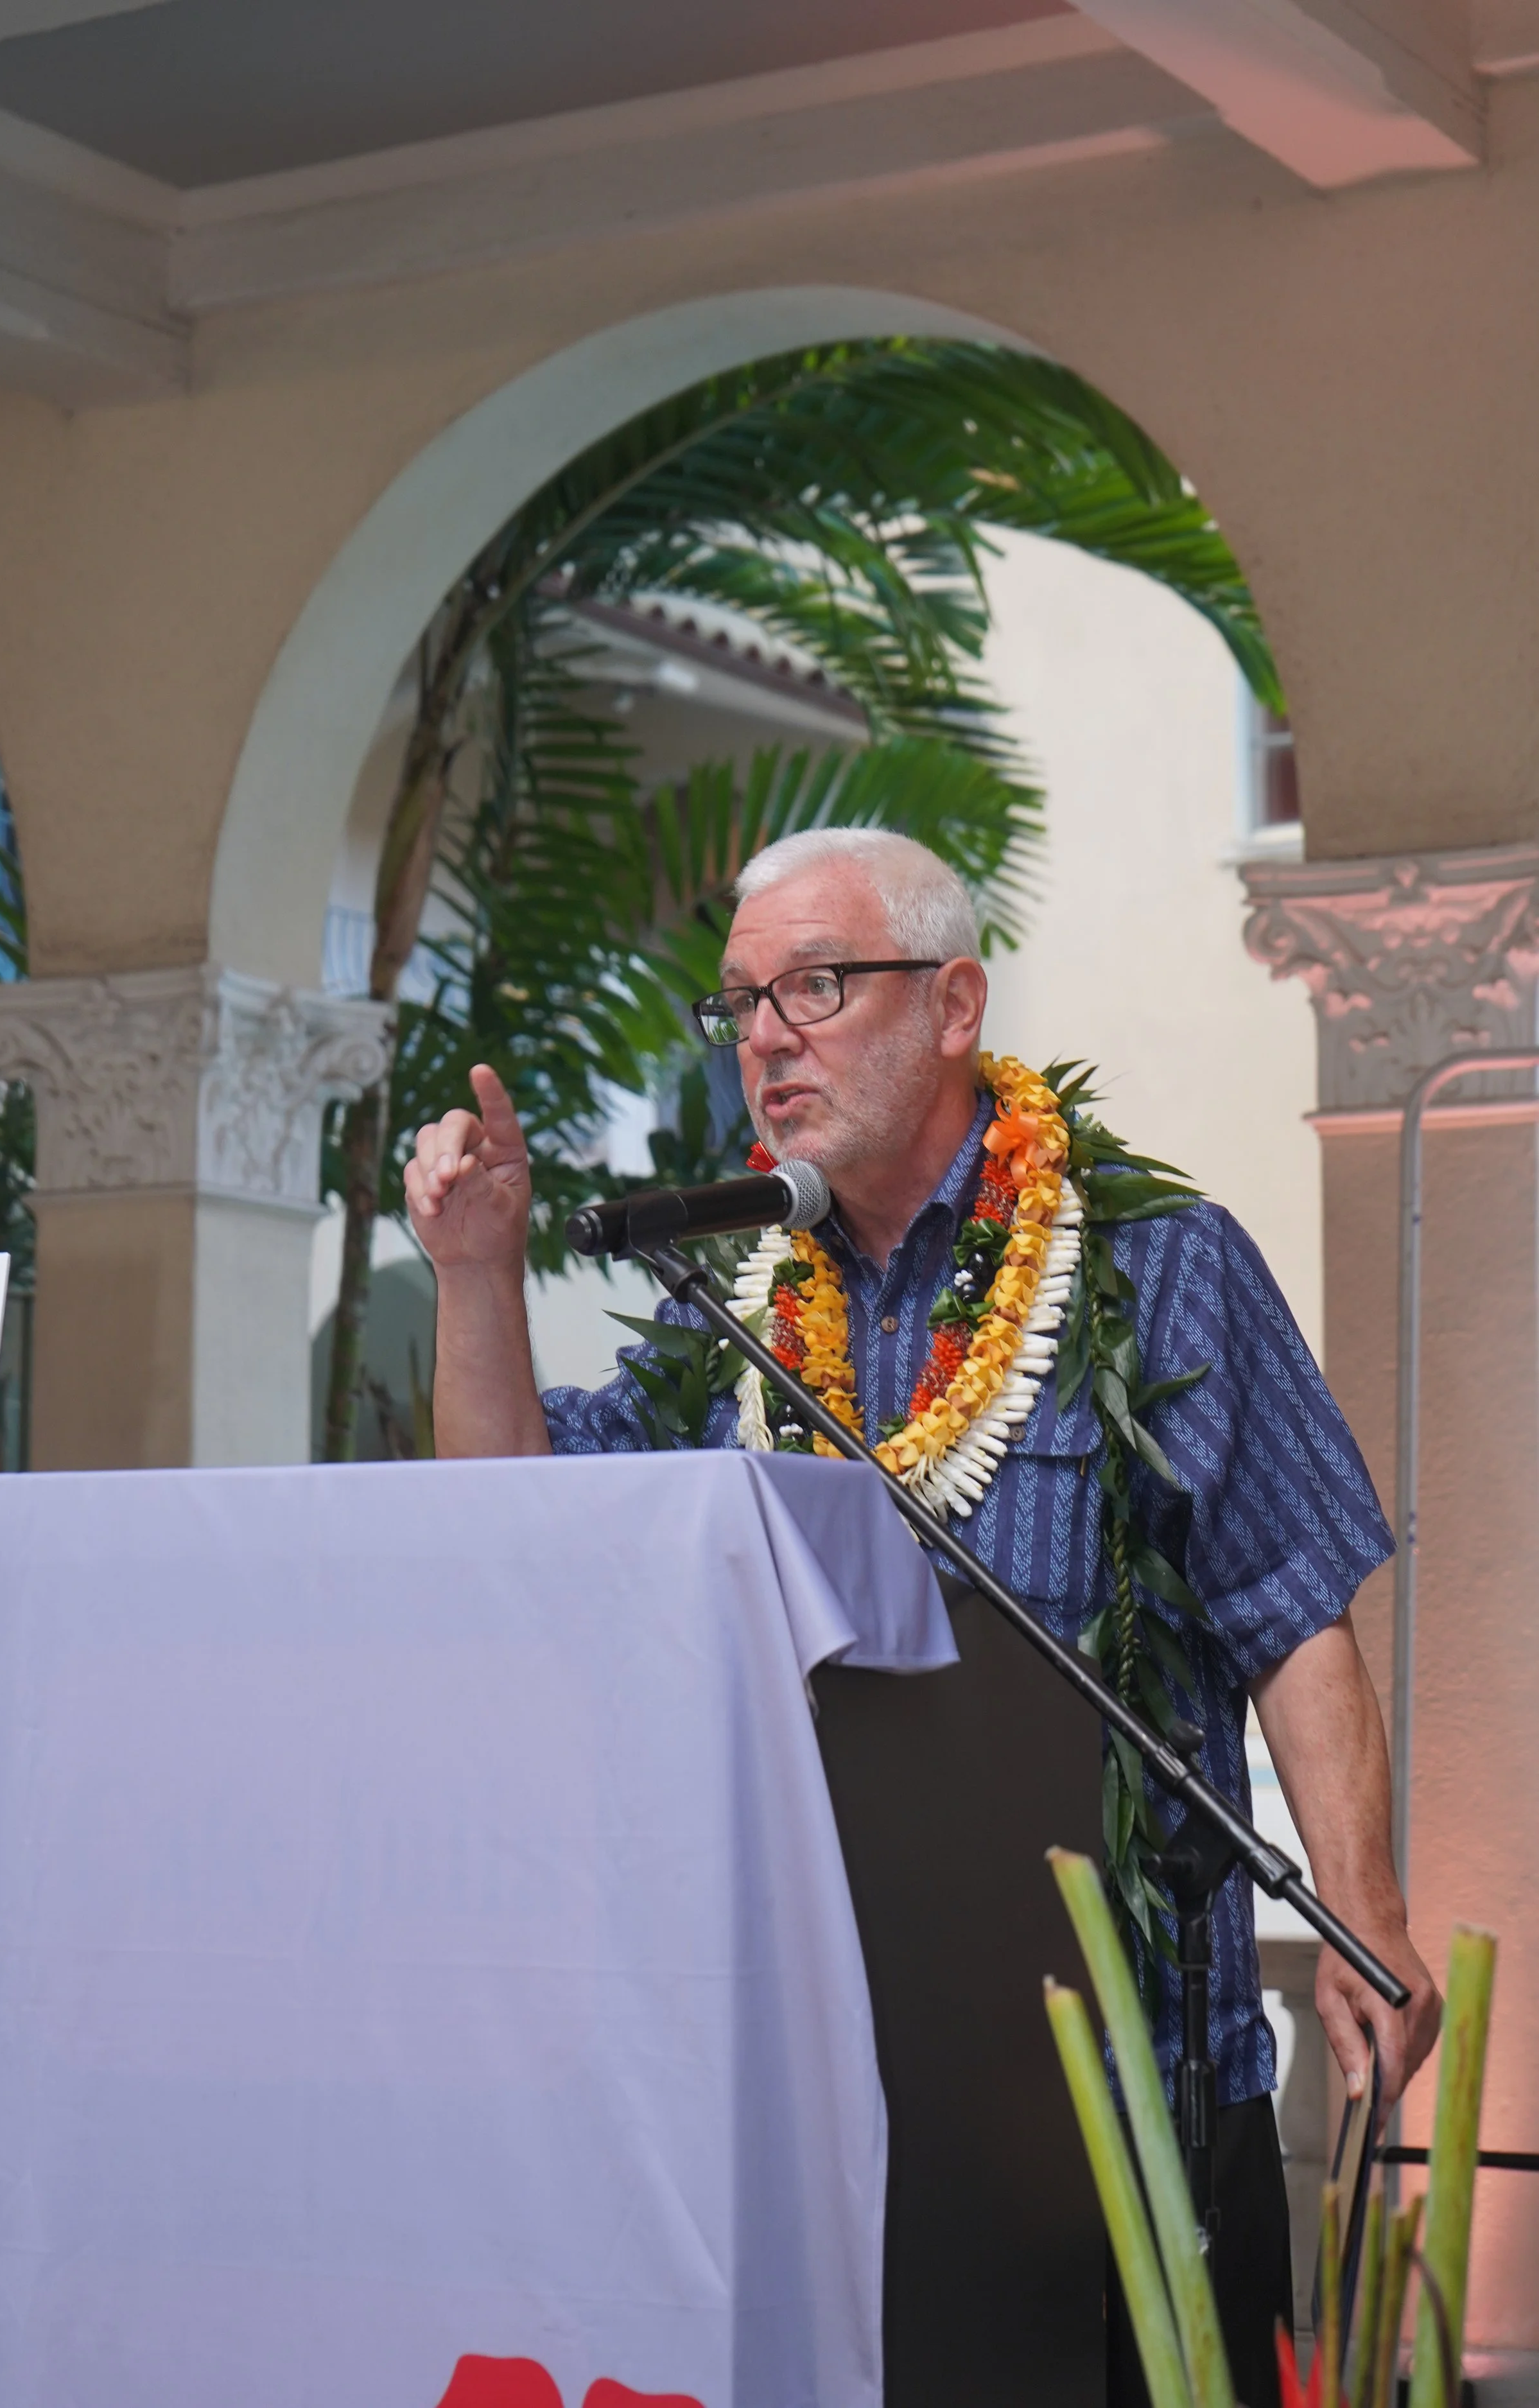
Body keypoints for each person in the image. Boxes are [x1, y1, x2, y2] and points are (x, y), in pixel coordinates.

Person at [405, 826, 1440, 2408]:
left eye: (813, 986)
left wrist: (1361, 1913)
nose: (765, 1036)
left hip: (1129, 2076)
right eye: (740, 1003)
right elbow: (523, 1529)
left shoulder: (1154, 1266)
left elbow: (1288, 1608)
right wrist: (474, 1277)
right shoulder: (736, 1307)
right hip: (814, 2091)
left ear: (953, 1004)